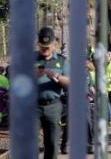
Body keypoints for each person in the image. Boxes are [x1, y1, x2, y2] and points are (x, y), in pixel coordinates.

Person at [36, 26, 70, 159]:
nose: (44, 49)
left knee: (52, 143)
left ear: (54, 45)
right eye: (42, 46)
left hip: (53, 107)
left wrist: (57, 77)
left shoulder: (62, 61)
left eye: (47, 47)